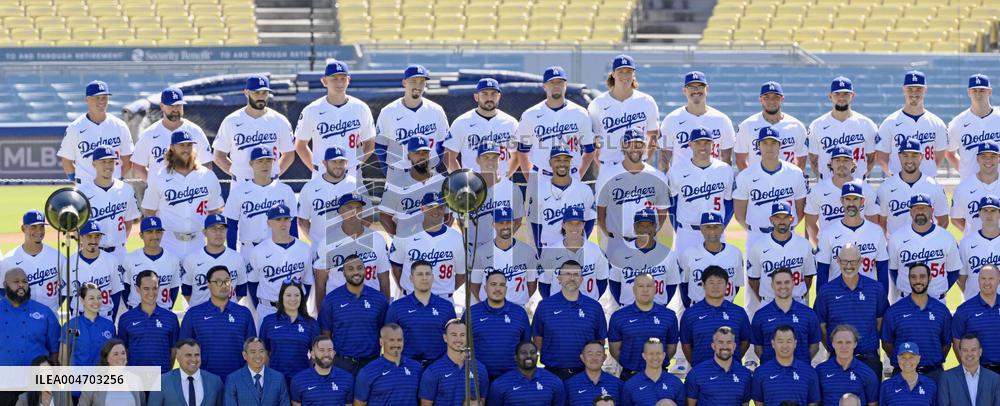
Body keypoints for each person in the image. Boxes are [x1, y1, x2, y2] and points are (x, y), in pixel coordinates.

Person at [141, 129, 225, 257]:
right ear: (172, 148)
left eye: (189, 145)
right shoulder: (159, 176)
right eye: (181, 145)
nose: (186, 149)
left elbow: (214, 211)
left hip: (198, 241)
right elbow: (149, 211)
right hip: (168, 241)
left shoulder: (207, 176)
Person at [814, 243, 889, 378]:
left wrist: (867, 342)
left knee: (872, 400)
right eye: (845, 261)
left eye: (853, 261)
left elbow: (881, 323)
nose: (848, 266)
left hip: (869, 360)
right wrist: (835, 348)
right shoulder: (826, 291)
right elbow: (821, 327)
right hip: (837, 360)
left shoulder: (876, 289)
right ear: (838, 261)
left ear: (860, 261)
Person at [294, 60, 375, 178]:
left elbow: (370, 143)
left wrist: (355, 164)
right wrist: (316, 168)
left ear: (349, 80)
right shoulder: (312, 110)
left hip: (352, 175)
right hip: (322, 174)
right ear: (324, 81)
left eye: (343, 78)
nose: (339, 83)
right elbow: (300, 145)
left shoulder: (361, 108)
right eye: (334, 78)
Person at [597, 129, 670, 258]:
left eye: (639, 144)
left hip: (647, 242)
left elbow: (662, 213)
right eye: (630, 144)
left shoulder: (658, 177)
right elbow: (600, 212)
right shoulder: (607, 176)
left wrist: (651, 235)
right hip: (617, 242)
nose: (635, 149)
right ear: (623, 146)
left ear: (645, 147)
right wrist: (610, 236)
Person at [514, 65, 595, 182]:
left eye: (560, 82)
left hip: (571, 176)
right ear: (544, 86)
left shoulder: (580, 113)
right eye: (552, 82)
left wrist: (578, 175)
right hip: (541, 177)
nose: (556, 86)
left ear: (565, 85)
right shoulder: (530, 114)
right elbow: (522, 151)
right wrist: (531, 180)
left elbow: (590, 149)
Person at [733, 127, 807, 248]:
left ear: (780, 145)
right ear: (758, 146)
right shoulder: (746, 175)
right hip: (757, 236)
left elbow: (799, 212)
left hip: (787, 236)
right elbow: (739, 215)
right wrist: (754, 230)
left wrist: (785, 229)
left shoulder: (795, 173)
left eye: (773, 143)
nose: (769, 147)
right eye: (765, 143)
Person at [533, 261, 608, 380]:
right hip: (552, 374)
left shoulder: (594, 307)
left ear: (581, 279)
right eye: (567, 274)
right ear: (559, 278)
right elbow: (537, 338)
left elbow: (600, 341)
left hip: (584, 374)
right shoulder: (545, 306)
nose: (572, 278)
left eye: (576, 274)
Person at [588, 55, 659, 180]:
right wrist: (603, 165)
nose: (625, 76)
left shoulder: (647, 101)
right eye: (620, 72)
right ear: (613, 74)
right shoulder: (598, 103)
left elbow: (653, 135)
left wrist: (644, 160)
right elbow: (595, 141)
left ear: (633, 74)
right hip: (609, 166)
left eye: (628, 72)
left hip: (638, 167)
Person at [666, 126, 734, 257]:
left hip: (716, 231)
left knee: (717, 274)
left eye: (707, 142)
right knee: (684, 275)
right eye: (698, 142)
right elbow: (672, 205)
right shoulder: (676, 171)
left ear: (713, 144)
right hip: (687, 233)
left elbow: (729, 204)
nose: (702, 146)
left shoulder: (725, 170)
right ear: (690, 144)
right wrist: (680, 228)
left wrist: (720, 228)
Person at [179, 266, 256, 380]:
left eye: (227, 281)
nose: (224, 285)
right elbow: (182, 349)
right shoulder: (194, 314)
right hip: (205, 381)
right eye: (218, 282)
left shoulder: (244, 313)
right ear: (208, 284)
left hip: (237, 381)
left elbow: (252, 350)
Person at [212, 74, 295, 181]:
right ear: (246, 92)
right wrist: (237, 175)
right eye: (256, 92)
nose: (261, 96)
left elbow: (289, 154)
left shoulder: (279, 120)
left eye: (265, 92)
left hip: (270, 188)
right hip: (241, 187)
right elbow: (218, 156)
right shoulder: (231, 121)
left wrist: (274, 175)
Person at [374, 64, 449, 181]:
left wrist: (432, 167)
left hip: (429, 174)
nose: (418, 85)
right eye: (413, 81)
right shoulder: (388, 112)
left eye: (421, 81)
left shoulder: (436, 110)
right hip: (398, 175)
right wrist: (388, 173)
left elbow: (442, 144)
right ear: (404, 83)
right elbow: (380, 146)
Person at [222, 146, 297, 260]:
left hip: (279, 251)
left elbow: (293, 224)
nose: (264, 164)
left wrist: (293, 251)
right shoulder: (238, 192)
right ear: (251, 163)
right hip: (248, 251)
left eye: (268, 160)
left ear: (273, 162)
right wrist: (232, 256)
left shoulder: (285, 190)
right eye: (260, 161)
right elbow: (231, 226)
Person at [318, 253, 388, 376]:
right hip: (342, 364)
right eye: (350, 269)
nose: (356, 272)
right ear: (343, 273)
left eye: (359, 268)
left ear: (365, 271)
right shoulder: (331, 300)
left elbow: (384, 332)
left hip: (371, 363)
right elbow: (326, 334)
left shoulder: (379, 300)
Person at [815, 181, 889, 295]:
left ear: (862, 201)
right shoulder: (828, 233)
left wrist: (883, 301)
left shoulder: (876, 231)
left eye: (855, 199)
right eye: (848, 199)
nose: (851, 203)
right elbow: (822, 273)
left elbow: (882, 271)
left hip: (869, 295)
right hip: (837, 295)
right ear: (842, 201)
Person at [389, 192, 465, 300]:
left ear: (445, 209)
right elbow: (396, 267)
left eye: (440, 207)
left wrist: (445, 292)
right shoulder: (404, 234)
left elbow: (462, 274)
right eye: (431, 207)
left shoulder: (457, 238)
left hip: (442, 299)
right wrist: (407, 290)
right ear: (422, 208)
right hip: (411, 297)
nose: (436, 211)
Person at [882, 262, 952, 381]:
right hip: (902, 374)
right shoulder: (894, 311)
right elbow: (887, 343)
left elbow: (946, 344)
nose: (917, 281)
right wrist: (906, 363)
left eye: (922, 276)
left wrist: (931, 360)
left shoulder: (941, 311)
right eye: (913, 277)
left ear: (930, 278)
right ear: (909, 279)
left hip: (934, 374)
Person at [313, 193, 389, 301]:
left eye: (358, 208)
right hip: (338, 304)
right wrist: (322, 315)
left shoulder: (377, 239)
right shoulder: (327, 243)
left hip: (371, 304)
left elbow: (384, 279)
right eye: (349, 208)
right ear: (340, 211)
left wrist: (385, 310)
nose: (355, 212)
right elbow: (320, 283)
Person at [246, 204, 313, 325]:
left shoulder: (304, 248)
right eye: (278, 219)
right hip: (268, 309)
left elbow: (307, 283)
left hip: (296, 310)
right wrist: (260, 306)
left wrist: (300, 305)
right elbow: (252, 283)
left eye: (286, 219)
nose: (283, 223)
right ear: (268, 223)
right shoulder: (258, 251)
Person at [0, 267, 59, 406]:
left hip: (34, 384)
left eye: (25, 282)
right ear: (5, 285)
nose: (21, 285)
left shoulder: (44, 312)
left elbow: (55, 350)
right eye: (16, 281)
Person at [875, 71, 949, 179]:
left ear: (925, 90)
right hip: (898, 184)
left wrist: (926, 177)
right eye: (910, 89)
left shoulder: (937, 123)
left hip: (927, 184)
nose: (914, 93)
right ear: (903, 89)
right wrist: (894, 177)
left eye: (918, 89)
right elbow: (881, 157)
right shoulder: (890, 122)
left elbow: (940, 155)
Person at [656, 70, 735, 171]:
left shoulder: (722, 120)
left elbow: (727, 159)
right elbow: (663, 159)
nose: (696, 90)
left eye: (700, 86)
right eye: (691, 87)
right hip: (682, 181)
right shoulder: (671, 120)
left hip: (713, 182)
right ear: (684, 90)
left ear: (707, 89)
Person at [58, 80, 133, 184]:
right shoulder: (75, 127)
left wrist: (114, 181)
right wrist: (79, 182)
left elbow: (127, 162)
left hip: (114, 188)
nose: (101, 101)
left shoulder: (120, 126)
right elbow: (67, 161)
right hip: (86, 188)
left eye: (104, 97)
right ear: (87, 99)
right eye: (97, 98)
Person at [888, 193, 961, 301]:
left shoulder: (947, 237)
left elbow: (954, 271)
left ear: (932, 211)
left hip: (937, 300)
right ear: (910, 212)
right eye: (916, 208)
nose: (920, 212)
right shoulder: (896, 238)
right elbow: (893, 270)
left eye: (924, 208)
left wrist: (940, 291)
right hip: (906, 301)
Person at [525, 146, 596, 253]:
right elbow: (535, 224)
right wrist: (539, 251)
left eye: (566, 160)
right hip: (549, 249)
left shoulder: (584, 190)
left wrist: (581, 243)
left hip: (576, 250)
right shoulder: (539, 192)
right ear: (550, 163)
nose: (562, 164)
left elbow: (590, 220)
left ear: (570, 162)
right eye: (557, 160)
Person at [804, 146, 879, 247]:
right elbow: (810, 224)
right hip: (829, 249)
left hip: (858, 250)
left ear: (853, 164)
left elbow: (873, 224)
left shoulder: (865, 189)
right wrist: (821, 248)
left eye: (846, 160)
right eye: (837, 160)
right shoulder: (818, 190)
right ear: (831, 163)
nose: (842, 164)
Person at [75, 145, 140, 261]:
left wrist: (118, 242)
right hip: (92, 252)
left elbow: (128, 222)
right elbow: (75, 226)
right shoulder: (82, 192)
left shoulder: (126, 189)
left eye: (111, 161)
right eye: (103, 161)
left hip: (119, 253)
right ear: (94, 163)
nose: (108, 165)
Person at [608, 273, 679, 380]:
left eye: (649, 286)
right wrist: (630, 364)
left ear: (655, 289)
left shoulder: (669, 316)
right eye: (640, 286)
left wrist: (655, 364)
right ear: (633, 289)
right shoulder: (619, 316)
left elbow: (671, 348)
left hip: (660, 376)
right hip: (629, 376)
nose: (645, 290)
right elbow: (614, 350)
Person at [464, 270, 532, 381]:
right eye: (493, 284)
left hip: (512, 378)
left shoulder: (519, 313)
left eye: (502, 285)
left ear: (506, 288)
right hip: (479, 378)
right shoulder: (471, 313)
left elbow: (526, 345)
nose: (497, 289)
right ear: (485, 288)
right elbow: (463, 346)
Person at [132, 87, 213, 180]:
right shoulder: (149, 133)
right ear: (162, 106)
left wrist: (196, 185)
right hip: (160, 193)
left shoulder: (195, 131)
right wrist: (154, 185)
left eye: (178, 105)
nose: (175, 109)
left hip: (188, 191)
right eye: (171, 105)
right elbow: (138, 166)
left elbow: (207, 164)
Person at [385, 260, 456, 366]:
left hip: (438, 367)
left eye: (428, 274)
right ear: (411, 278)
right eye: (419, 274)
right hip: (407, 366)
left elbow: (453, 340)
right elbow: (388, 340)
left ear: (433, 277)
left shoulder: (446, 307)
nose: (424, 278)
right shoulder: (397, 307)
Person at [807, 76, 878, 180]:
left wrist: (860, 179)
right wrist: (825, 183)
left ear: (852, 95)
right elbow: (813, 159)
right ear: (830, 96)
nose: (841, 98)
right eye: (837, 94)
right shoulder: (817, 125)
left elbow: (871, 158)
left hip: (857, 189)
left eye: (845, 94)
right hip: (827, 187)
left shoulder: (867, 124)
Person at [444, 77, 519, 176]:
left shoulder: (510, 122)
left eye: (493, 94)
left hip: (502, 187)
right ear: (476, 97)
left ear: (499, 96)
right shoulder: (461, 122)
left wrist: (505, 176)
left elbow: (517, 156)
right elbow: (448, 157)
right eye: (484, 94)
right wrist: (462, 180)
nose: (489, 98)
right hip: (472, 186)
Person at [680, 266, 750, 367]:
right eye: (711, 282)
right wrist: (698, 366)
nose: (715, 286)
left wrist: (729, 361)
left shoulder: (738, 312)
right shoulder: (691, 314)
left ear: (727, 285)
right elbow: (686, 345)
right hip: (701, 374)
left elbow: (745, 342)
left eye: (720, 282)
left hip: (731, 373)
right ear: (703, 285)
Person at [746, 202, 816, 304]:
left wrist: (799, 295)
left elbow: (809, 277)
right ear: (771, 220)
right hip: (769, 302)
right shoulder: (758, 246)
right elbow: (753, 280)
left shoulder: (804, 245)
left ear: (791, 219)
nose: (782, 221)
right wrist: (765, 300)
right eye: (777, 217)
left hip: (797, 301)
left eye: (785, 217)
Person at [378, 136, 447, 239]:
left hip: (436, 244)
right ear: (409, 156)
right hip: (408, 246)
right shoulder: (396, 184)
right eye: (417, 153)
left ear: (430, 154)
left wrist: (440, 236)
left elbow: (449, 215)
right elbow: (384, 217)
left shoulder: (442, 182)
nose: (421, 156)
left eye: (425, 152)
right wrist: (400, 240)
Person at [608, 209, 679, 307]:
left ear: (655, 227)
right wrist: (624, 306)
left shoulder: (668, 254)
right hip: (628, 308)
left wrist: (661, 306)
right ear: (634, 228)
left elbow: (672, 285)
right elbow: (614, 283)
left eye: (649, 225)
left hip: (657, 309)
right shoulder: (620, 253)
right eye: (641, 225)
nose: (645, 229)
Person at [877, 139, 950, 234]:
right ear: (899, 156)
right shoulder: (885, 187)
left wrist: (931, 240)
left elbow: (943, 220)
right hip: (897, 247)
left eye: (914, 155)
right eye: (905, 155)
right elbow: (881, 222)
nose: (909, 160)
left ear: (921, 156)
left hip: (925, 247)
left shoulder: (934, 186)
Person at [297, 146, 367, 245]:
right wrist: (316, 242)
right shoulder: (310, 187)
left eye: (341, 162)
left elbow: (367, 218)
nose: (338, 165)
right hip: (319, 248)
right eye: (334, 162)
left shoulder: (356, 185)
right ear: (325, 163)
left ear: (346, 163)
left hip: (349, 246)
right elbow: (303, 221)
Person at [750, 268, 821, 364]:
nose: (783, 286)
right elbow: (758, 347)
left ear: (793, 283)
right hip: (770, 375)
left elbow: (814, 345)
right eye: (778, 283)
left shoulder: (808, 314)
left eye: (787, 282)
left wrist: (802, 364)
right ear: (772, 285)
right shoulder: (761, 315)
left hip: (801, 374)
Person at [469, 208, 538, 306]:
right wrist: (487, 305)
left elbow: (532, 284)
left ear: (513, 223)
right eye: (501, 223)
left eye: (508, 222)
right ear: (493, 224)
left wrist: (519, 302)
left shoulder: (528, 251)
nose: (505, 226)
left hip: (517, 307)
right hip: (489, 308)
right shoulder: (481, 252)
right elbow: (474, 285)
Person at [0, 210, 65, 314]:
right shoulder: (9, 260)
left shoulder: (58, 257)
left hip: (51, 317)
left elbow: (66, 287)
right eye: (33, 227)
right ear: (23, 228)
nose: (38, 231)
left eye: (41, 227)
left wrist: (55, 306)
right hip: (22, 319)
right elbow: (2, 291)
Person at [464, 143, 525, 252]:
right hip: (474, 250)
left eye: (494, 158)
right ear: (478, 160)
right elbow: (461, 221)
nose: (490, 162)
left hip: (502, 249)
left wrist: (503, 241)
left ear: (499, 160)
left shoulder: (512, 188)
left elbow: (518, 220)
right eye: (486, 158)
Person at [538, 208, 609, 301]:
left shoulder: (596, 251)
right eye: (570, 223)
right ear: (563, 225)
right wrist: (553, 305)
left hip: (587, 305)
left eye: (578, 223)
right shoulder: (550, 252)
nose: (574, 228)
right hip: (559, 305)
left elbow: (602, 281)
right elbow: (544, 285)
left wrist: (592, 302)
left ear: (583, 225)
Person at [118, 270, 180, 373]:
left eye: (154, 288)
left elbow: (174, 350)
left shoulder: (171, 318)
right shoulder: (126, 319)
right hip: (135, 379)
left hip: (162, 378)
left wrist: (166, 372)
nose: (151, 293)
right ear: (138, 289)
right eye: (146, 289)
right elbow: (123, 350)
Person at [735, 81, 807, 170]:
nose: (771, 101)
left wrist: (791, 179)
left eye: (776, 97)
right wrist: (752, 180)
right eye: (766, 97)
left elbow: (801, 161)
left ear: (782, 99)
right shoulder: (746, 126)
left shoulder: (797, 126)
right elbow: (740, 160)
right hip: (757, 181)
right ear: (760, 99)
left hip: (787, 181)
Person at [259, 281, 319, 385]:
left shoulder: (311, 323)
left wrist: (308, 374)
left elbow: (316, 354)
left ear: (302, 298)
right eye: (288, 295)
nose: (293, 299)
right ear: (281, 297)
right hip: (275, 382)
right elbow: (263, 352)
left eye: (297, 295)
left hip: (302, 382)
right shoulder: (268, 321)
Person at [418, 319, 489, 406]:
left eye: (462, 335)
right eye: (454, 335)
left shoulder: (480, 369)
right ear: (445, 338)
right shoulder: (432, 372)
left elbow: (481, 402)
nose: (458, 339)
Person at [678, 213, 744, 306]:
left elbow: (736, 285)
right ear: (701, 229)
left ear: (722, 228)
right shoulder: (689, 254)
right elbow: (684, 285)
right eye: (708, 227)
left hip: (726, 307)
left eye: (716, 227)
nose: (712, 231)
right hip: (698, 308)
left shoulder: (735, 253)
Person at [181, 214, 248, 307]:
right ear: (204, 232)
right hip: (200, 314)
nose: (218, 233)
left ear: (226, 231)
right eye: (213, 229)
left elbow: (241, 290)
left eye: (222, 229)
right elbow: (186, 291)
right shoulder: (191, 259)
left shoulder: (237, 258)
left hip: (228, 313)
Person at [354, 323, 424, 405]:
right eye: (391, 340)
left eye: (399, 340)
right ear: (381, 342)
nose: (396, 344)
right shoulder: (367, 372)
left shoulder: (416, 368)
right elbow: (359, 403)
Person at [947, 74, 1000, 179]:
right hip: (970, 187)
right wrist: (965, 173)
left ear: (990, 91)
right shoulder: (958, 122)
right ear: (969, 92)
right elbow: (949, 153)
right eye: (974, 90)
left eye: (982, 90)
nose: (978, 94)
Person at [750, 326, 820, 406]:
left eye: (789, 341)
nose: (785, 346)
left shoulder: (809, 372)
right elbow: (759, 403)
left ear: (795, 344)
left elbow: (813, 403)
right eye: (780, 341)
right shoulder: (761, 372)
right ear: (773, 343)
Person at [122, 217, 181, 310]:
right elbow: (125, 289)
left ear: (162, 233)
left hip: (164, 312)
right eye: (149, 232)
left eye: (158, 231)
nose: (155, 236)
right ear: (141, 235)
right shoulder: (130, 259)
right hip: (136, 312)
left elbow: (174, 289)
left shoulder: (173, 259)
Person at [685, 326, 753, 406]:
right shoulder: (696, 373)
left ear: (734, 346)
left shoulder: (745, 374)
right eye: (720, 342)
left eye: (729, 342)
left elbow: (745, 403)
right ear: (713, 346)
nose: (725, 346)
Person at [68, 221, 123, 319]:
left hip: (105, 317)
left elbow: (116, 293)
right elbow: (68, 295)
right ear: (81, 237)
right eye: (89, 236)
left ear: (101, 237)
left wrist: (112, 319)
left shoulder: (111, 260)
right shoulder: (70, 263)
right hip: (78, 319)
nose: (93, 241)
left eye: (97, 236)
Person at [952, 264, 1000, 375]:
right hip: (979, 372)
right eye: (983, 279)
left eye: (991, 279)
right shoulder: (964, 310)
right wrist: (969, 370)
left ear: (998, 279)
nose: (986, 283)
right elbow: (957, 343)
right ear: (978, 280)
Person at [815, 324, 879, 406]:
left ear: (855, 344)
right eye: (839, 342)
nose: (844, 347)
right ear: (833, 344)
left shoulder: (867, 373)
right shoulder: (820, 371)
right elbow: (815, 402)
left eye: (848, 342)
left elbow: (873, 403)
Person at [148, 338, 224, 406]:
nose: (194, 359)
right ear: (177, 357)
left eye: (197, 355)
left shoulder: (215, 381)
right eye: (188, 355)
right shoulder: (161, 382)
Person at [487, 341, 566, 406]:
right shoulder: (499, 384)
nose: (529, 356)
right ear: (516, 357)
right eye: (524, 353)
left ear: (537, 357)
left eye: (532, 352)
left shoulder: (554, 382)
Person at [59, 282, 115, 366]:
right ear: (82, 300)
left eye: (99, 298)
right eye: (91, 298)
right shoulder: (71, 326)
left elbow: (114, 356)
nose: (96, 301)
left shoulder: (109, 326)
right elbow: (62, 358)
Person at [290, 335, 355, 406]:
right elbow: (296, 403)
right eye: (322, 350)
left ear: (334, 353)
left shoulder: (347, 378)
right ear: (313, 354)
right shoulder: (298, 380)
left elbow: (348, 404)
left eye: (330, 350)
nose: (326, 354)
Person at [223, 337, 290, 406]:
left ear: (266, 353)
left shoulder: (279, 378)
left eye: (261, 351)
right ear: (245, 355)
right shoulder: (233, 379)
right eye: (253, 352)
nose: (258, 356)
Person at [938, 334, 1000, 406]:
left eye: (973, 350)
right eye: (965, 350)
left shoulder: (995, 379)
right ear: (960, 352)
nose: (969, 354)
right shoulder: (946, 378)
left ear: (980, 352)